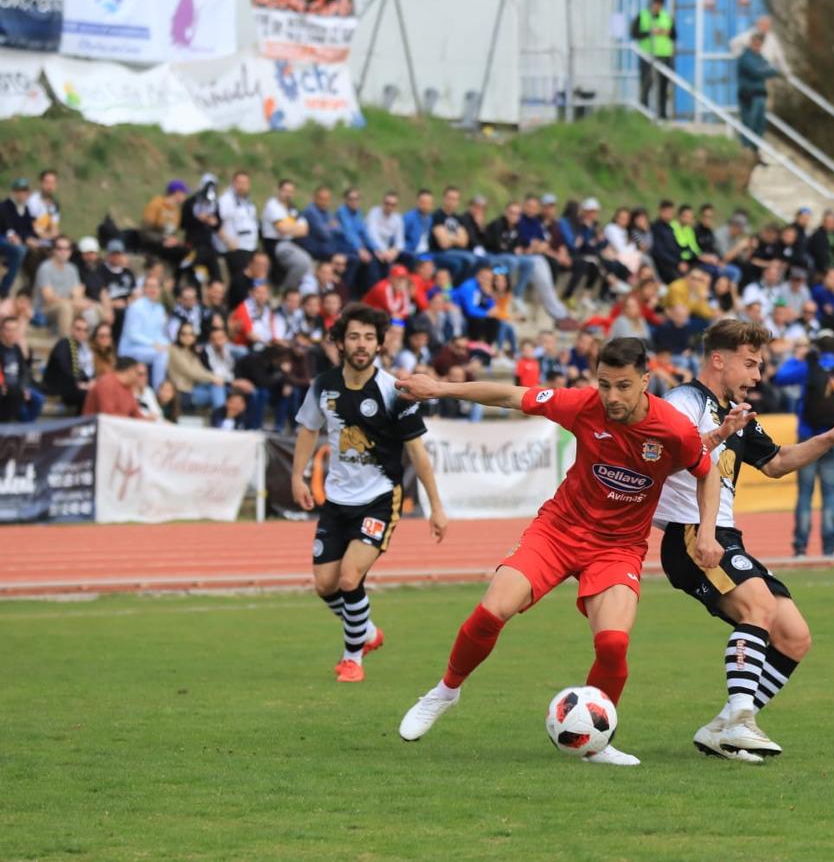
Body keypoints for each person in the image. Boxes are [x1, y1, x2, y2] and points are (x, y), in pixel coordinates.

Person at [394, 337, 718, 767]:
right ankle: (445, 692)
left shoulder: (673, 428)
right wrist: (439, 388)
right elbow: (510, 396)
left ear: (645, 381)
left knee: (613, 644)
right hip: (559, 530)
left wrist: (707, 531)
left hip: (618, 547)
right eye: (604, 384)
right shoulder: (582, 405)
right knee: (492, 610)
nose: (612, 396)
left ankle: (595, 744)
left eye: (623, 386)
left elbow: (706, 472)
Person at [652, 320, 834, 761]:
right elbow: (664, 458)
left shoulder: (733, 413)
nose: (757, 375)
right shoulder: (683, 403)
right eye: (750, 364)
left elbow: (776, 463)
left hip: (724, 535)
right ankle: (740, 721)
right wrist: (707, 533)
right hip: (692, 533)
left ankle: (720, 728)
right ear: (719, 360)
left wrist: (829, 438)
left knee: (794, 637)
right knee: (759, 608)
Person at [291, 303, 450, 683]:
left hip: (379, 498)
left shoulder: (394, 391)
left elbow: (418, 454)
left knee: (349, 578)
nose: (361, 344)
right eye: (353, 337)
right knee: (325, 585)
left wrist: (436, 507)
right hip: (336, 501)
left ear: (379, 344)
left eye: (368, 337)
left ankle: (352, 658)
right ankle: (367, 632)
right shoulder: (323, 386)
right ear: (340, 343)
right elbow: (308, 430)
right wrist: (298, 476)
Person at [772, 332, 834, 556]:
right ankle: (830, 548)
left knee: (805, 494)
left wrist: (797, 358)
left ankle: (800, 547)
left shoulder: (808, 366)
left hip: (808, 437)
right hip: (833, 437)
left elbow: (779, 378)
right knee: (830, 494)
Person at [33, 236, 95, 335]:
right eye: (59, 248)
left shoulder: (72, 269)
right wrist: (74, 301)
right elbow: (49, 298)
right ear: (53, 250)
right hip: (44, 310)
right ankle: (65, 342)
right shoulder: (45, 268)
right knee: (65, 307)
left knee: (91, 308)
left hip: (68, 305)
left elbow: (77, 293)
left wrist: (82, 302)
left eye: (67, 249)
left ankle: (85, 341)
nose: (63, 252)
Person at [261, 179, 315, 293]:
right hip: (275, 244)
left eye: (290, 191)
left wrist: (290, 228)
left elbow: (305, 230)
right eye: (285, 191)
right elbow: (282, 229)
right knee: (303, 263)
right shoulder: (272, 206)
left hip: (289, 243)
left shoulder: (291, 207)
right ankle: (286, 291)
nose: (288, 194)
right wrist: (295, 227)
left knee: (308, 263)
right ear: (279, 190)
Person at [118, 275, 170, 389]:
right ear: (144, 289)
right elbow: (133, 334)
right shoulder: (136, 307)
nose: (153, 289)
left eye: (155, 286)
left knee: (170, 351)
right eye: (149, 286)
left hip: (148, 348)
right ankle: (158, 390)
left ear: (160, 289)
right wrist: (154, 344)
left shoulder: (160, 309)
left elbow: (159, 334)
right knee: (161, 354)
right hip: (130, 349)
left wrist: (167, 344)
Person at [632, 0, 675, 120]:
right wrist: (650, 32)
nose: (657, 6)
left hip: (664, 56)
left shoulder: (667, 17)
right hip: (647, 56)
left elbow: (674, 35)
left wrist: (665, 32)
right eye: (655, 3)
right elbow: (634, 33)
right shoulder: (643, 16)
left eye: (660, 4)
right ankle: (644, 114)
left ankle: (662, 114)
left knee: (663, 86)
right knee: (646, 85)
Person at [735, 33, 780, 154]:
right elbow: (757, 71)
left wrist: (769, 70)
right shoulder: (745, 57)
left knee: (759, 125)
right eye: (755, 43)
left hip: (759, 95)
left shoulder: (759, 57)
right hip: (748, 96)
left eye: (759, 44)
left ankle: (755, 151)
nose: (757, 46)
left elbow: (771, 69)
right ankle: (746, 149)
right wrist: (769, 71)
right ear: (751, 43)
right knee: (749, 123)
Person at [41, 315, 95, 412]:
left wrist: (87, 381)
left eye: (85, 330)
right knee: (87, 395)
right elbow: (64, 368)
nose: (81, 333)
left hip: (70, 386)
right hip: (58, 389)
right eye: (78, 329)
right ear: (71, 329)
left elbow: (79, 371)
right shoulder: (64, 344)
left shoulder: (81, 347)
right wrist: (78, 383)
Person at [215, 171, 259, 285]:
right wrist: (227, 240)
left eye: (245, 183)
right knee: (241, 279)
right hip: (234, 247)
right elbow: (216, 223)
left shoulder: (248, 202)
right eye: (239, 183)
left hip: (250, 246)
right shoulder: (226, 200)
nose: (242, 186)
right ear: (233, 183)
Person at [0, 315, 42, 422]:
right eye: (8, 329)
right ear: (2, 330)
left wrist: (23, 387)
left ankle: (27, 428)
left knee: (39, 399)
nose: (11, 333)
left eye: (14, 330)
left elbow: (24, 371)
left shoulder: (17, 348)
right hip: (7, 391)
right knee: (20, 406)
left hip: (18, 388)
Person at [0, 178, 35, 297]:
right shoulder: (4, 206)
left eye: (25, 191)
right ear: (14, 192)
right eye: (20, 191)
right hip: (3, 237)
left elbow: (28, 229)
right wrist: (13, 236)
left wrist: (28, 238)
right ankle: (4, 289)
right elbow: (7, 226)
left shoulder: (25, 209)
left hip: (15, 238)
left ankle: (31, 286)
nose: (23, 194)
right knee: (20, 250)